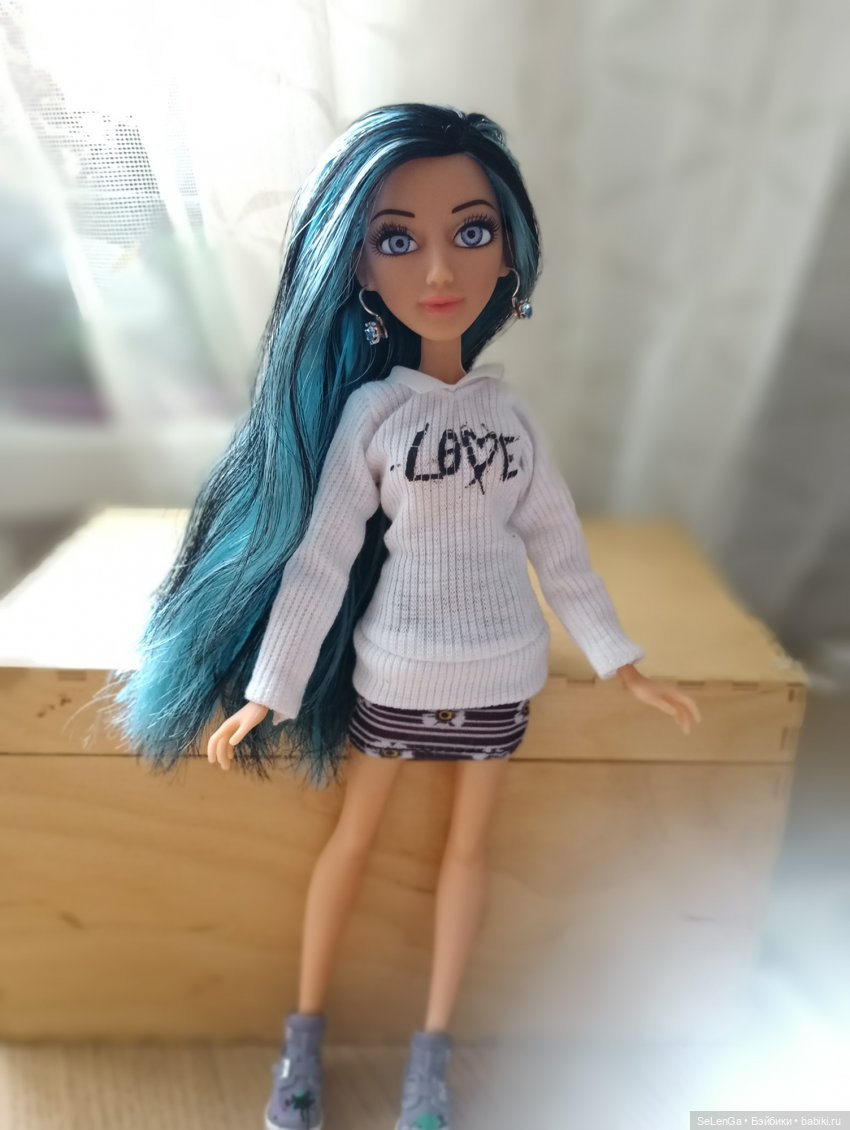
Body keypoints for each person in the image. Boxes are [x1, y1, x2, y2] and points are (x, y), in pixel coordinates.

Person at [111, 103, 701, 1130]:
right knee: (354, 845)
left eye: (471, 231)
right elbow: (321, 560)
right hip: (395, 672)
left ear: (509, 255)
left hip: (502, 676)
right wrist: (269, 692)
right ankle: (302, 1042)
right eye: (397, 238)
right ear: (357, 265)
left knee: (466, 859)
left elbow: (559, 549)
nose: (438, 268)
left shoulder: (509, 417)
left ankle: (430, 1059)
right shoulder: (373, 414)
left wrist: (622, 661)